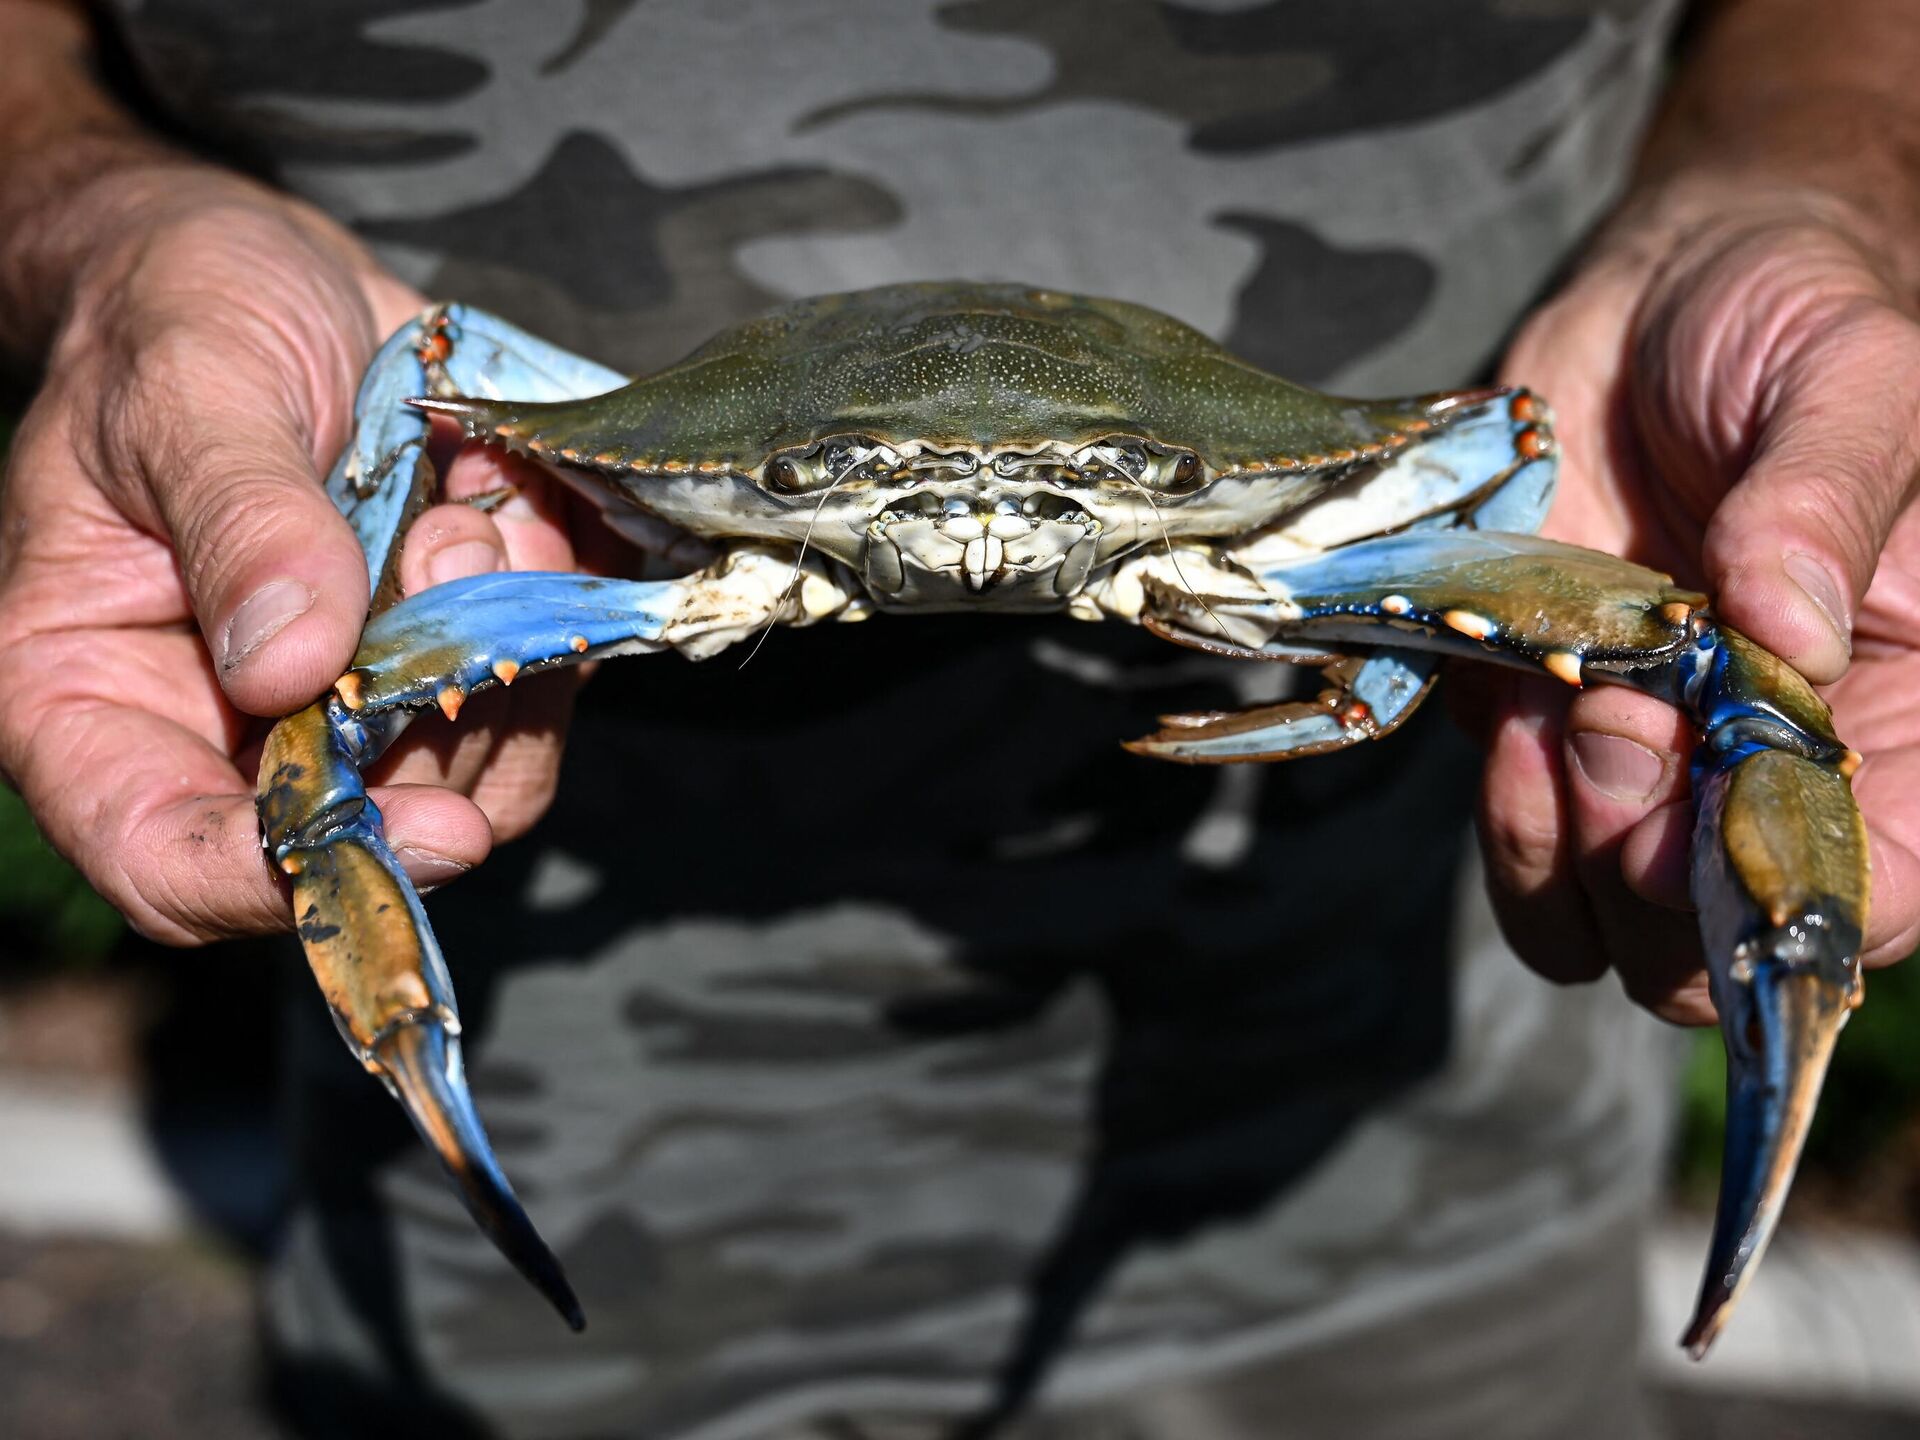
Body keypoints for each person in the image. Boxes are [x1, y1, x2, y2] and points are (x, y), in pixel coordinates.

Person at [1, 1, 1915, 1436]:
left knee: (1723, 663)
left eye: (1079, 492)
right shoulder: (559, 457)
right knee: (325, 730)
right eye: (877, 488)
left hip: (1411, 1188)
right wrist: (96, 226)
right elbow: (407, 406)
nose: (975, 534)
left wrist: (1807, 179)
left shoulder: (1384, 486)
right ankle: (444, 1111)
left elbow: (1505, 446)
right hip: (538, 1231)